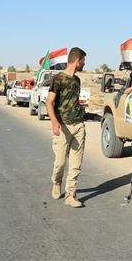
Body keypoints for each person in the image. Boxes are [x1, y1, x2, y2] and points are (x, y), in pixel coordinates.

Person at [46, 47, 87, 208]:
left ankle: (71, 194)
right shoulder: (58, 79)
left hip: (78, 126)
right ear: (77, 61)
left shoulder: (77, 81)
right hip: (63, 127)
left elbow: (73, 101)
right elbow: (49, 102)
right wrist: (54, 122)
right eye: (83, 61)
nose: (84, 64)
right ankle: (57, 182)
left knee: (76, 164)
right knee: (60, 162)